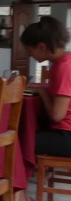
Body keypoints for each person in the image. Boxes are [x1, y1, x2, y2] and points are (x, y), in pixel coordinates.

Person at [21, 15, 71, 156]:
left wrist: (43, 92)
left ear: (41, 47)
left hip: (66, 135)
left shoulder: (64, 67)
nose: (29, 55)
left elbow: (56, 116)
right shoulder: (62, 62)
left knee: (18, 141)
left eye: (29, 51)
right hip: (64, 132)